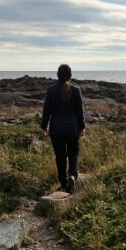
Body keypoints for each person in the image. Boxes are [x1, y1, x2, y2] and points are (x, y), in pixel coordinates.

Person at [40, 63, 86, 193]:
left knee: (60, 157)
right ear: (70, 75)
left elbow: (46, 111)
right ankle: (72, 176)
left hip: (57, 129)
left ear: (57, 75)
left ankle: (63, 183)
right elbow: (80, 111)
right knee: (73, 155)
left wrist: (44, 126)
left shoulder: (51, 90)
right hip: (72, 128)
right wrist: (82, 126)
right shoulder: (76, 90)